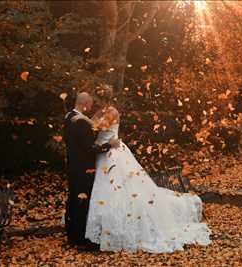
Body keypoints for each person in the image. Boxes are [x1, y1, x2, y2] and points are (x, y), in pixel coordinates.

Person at [74, 106, 211, 253]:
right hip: (102, 153)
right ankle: (103, 229)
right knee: (103, 190)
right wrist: (87, 120)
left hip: (112, 154)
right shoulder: (101, 111)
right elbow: (96, 127)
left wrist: (84, 119)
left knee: (120, 189)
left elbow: (101, 126)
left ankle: (118, 230)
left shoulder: (113, 111)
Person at [63, 92, 119, 250]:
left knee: (73, 198)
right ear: (85, 103)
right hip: (83, 167)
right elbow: (90, 148)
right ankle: (80, 238)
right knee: (82, 201)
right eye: (91, 103)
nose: (92, 107)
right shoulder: (79, 121)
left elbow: (93, 130)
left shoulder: (69, 116)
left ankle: (72, 235)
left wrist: (86, 119)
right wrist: (110, 145)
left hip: (73, 166)